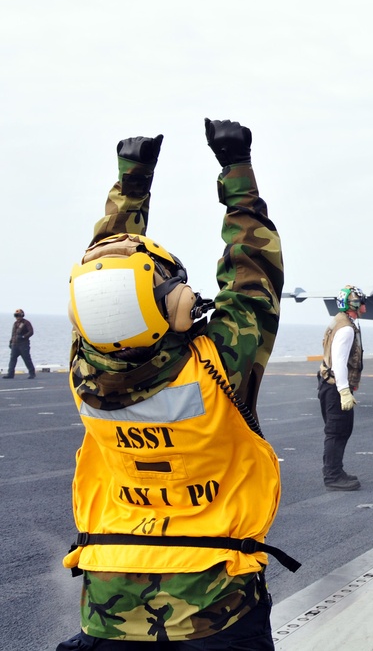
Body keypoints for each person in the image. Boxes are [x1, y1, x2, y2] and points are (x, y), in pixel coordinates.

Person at [58, 119, 298, 650]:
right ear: (174, 307)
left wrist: (131, 180)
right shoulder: (218, 365)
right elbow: (253, 266)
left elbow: (107, 277)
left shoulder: (83, 371)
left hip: (107, 607)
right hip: (215, 609)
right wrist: (236, 168)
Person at [318, 285, 367, 491]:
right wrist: (344, 391)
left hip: (328, 382)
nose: (363, 305)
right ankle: (333, 476)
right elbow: (339, 362)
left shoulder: (339, 321)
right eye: (360, 301)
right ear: (352, 304)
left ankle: (335, 470)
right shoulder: (346, 328)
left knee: (339, 430)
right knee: (337, 431)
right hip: (335, 386)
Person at [4, 309, 35, 378]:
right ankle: (10, 374)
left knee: (27, 359)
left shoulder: (26, 323)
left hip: (23, 345)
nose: (17, 317)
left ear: (22, 315)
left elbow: (31, 332)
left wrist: (24, 336)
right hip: (15, 344)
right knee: (12, 359)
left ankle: (32, 373)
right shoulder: (15, 324)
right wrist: (11, 342)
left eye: (19, 315)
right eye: (16, 315)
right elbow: (13, 334)